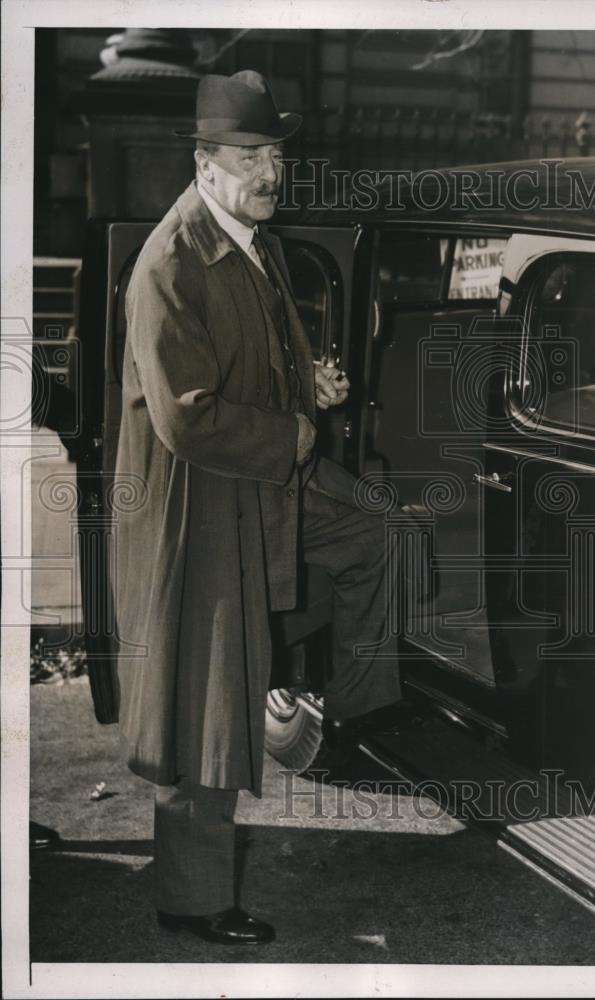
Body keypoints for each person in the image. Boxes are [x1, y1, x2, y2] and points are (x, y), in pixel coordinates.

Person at [111, 69, 404, 946]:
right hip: (200, 501)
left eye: (276, 153)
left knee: (377, 533)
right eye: (250, 156)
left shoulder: (254, 238)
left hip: (266, 473)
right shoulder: (169, 262)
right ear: (205, 163)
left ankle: (332, 710)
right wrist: (296, 435)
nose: (270, 170)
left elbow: (256, 363)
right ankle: (192, 898)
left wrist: (306, 385)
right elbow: (186, 415)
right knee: (201, 696)